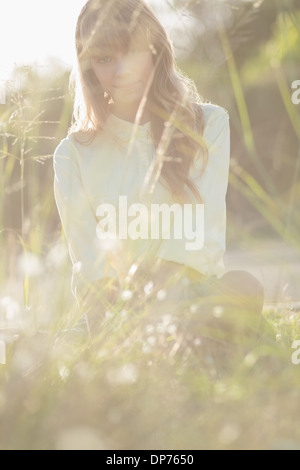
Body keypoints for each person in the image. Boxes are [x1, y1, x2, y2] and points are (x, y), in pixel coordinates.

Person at [53, 0, 264, 348]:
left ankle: (182, 358)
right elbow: (89, 264)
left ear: (155, 48)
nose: (121, 71)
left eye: (132, 51)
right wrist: (125, 310)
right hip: (114, 314)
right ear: (88, 66)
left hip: (194, 299)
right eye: (104, 59)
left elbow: (201, 241)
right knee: (54, 351)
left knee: (242, 285)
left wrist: (158, 297)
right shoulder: (73, 154)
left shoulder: (207, 124)